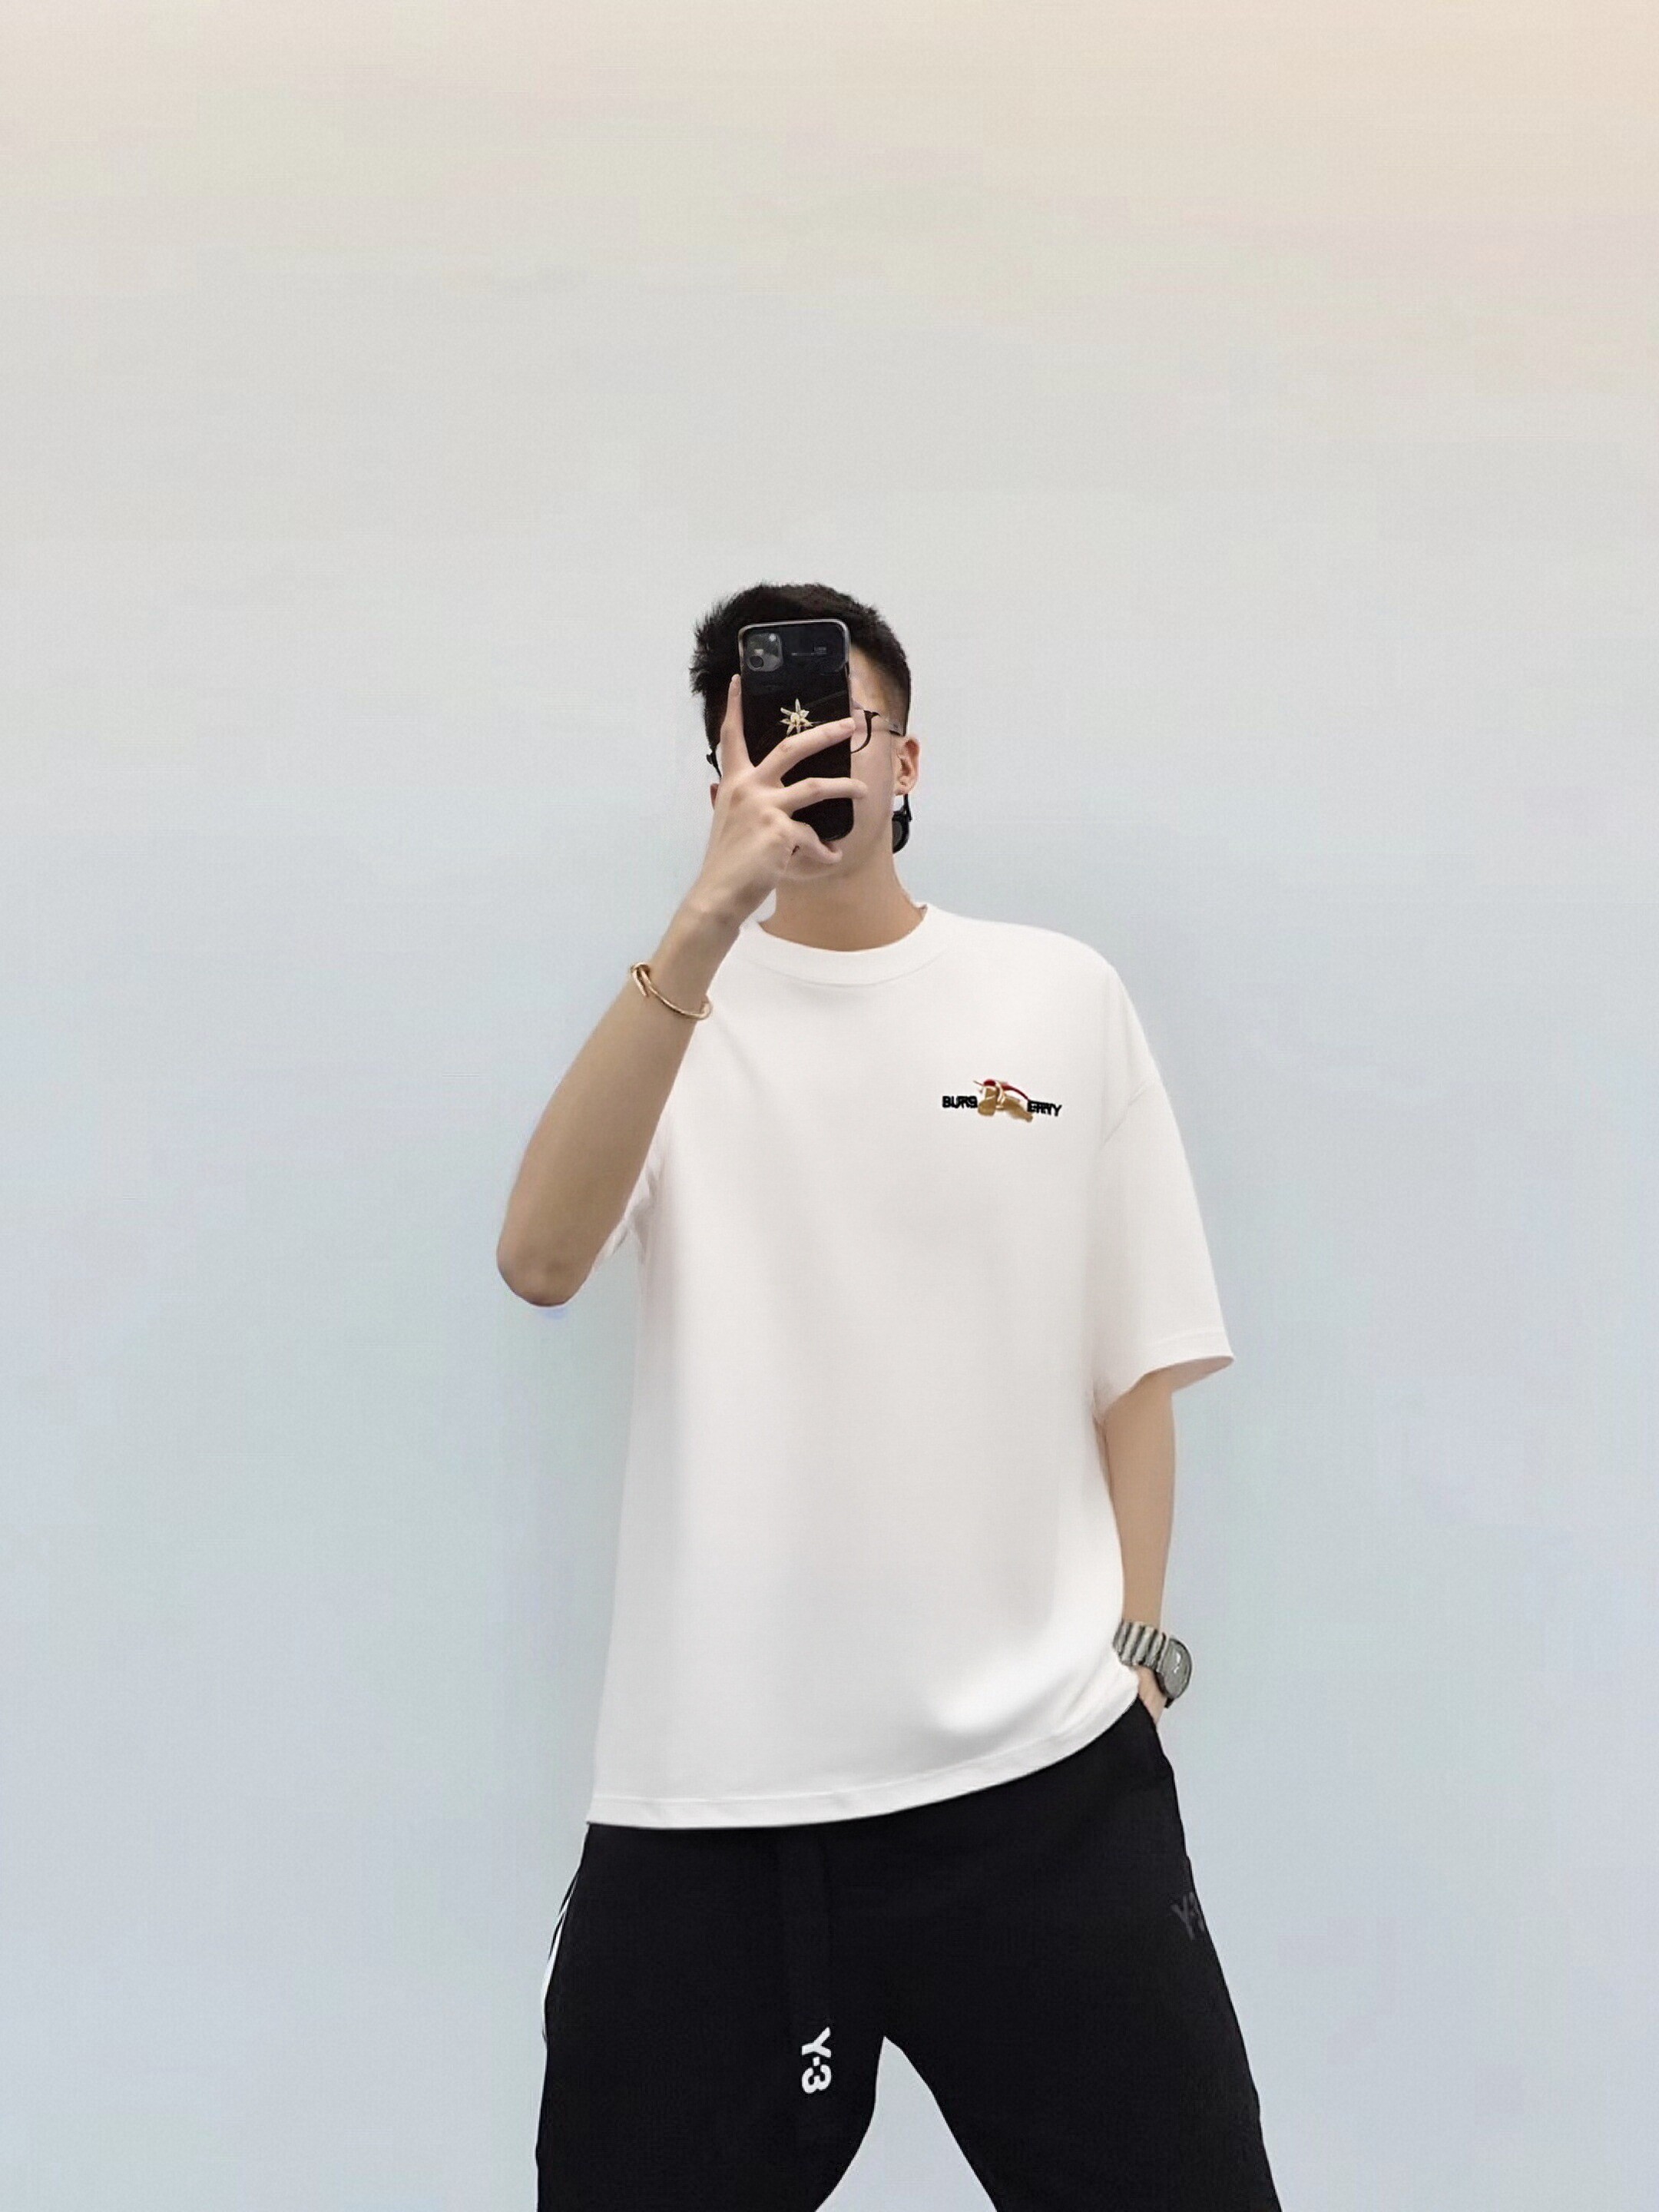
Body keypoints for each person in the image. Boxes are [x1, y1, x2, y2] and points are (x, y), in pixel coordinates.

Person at [498, 581, 1283, 2209]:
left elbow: (1135, 1363)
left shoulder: (1058, 996)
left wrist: (1140, 1663)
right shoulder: (669, 1019)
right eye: (761, 736)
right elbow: (541, 1261)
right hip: (712, 1799)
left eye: (837, 724)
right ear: (720, 775)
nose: (805, 756)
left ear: (905, 757)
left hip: (1043, 1788)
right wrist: (704, 924)